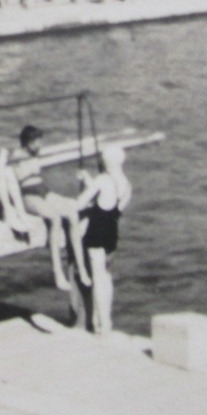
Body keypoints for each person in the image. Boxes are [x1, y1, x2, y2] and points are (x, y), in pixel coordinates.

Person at [12, 124, 90, 294]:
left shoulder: (35, 154)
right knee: (54, 218)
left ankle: (81, 267)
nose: (40, 144)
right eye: (36, 141)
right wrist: (26, 167)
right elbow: (13, 177)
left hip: (42, 190)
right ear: (27, 141)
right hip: (27, 194)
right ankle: (58, 273)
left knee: (72, 213)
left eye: (40, 141)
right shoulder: (16, 155)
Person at [75, 144, 133, 335]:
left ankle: (102, 324)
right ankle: (104, 320)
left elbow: (80, 203)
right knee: (106, 277)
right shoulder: (126, 184)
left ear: (103, 162)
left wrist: (85, 182)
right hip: (111, 233)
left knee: (98, 277)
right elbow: (109, 205)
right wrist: (90, 181)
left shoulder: (101, 180)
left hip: (96, 232)